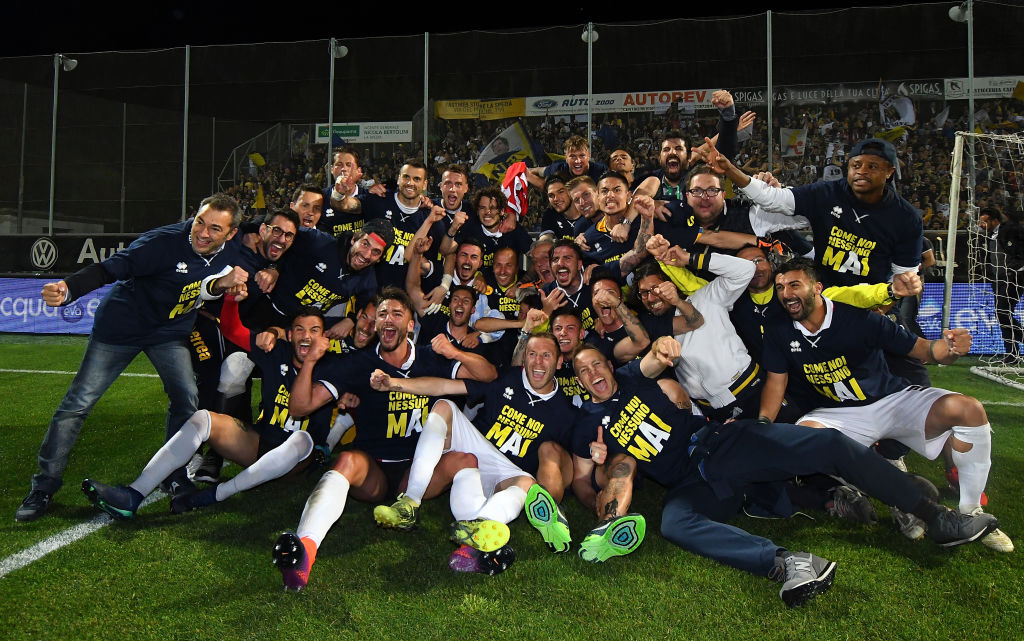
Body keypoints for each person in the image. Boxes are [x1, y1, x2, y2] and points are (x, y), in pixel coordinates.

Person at [570, 340, 999, 607]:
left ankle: (935, 514)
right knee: (674, 522)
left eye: (596, 365)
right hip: (692, 481)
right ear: (579, 384)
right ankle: (787, 563)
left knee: (827, 445)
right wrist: (605, 491)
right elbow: (602, 476)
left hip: (720, 444)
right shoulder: (588, 425)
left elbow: (651, 359)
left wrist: (662, 349)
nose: (593, 374)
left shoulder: (631, 378)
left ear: (609, 367)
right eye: (582, 372)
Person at [16, 194, 250, 522]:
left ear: (231, 233)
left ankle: (174, 474)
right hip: (120, 330)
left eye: (215, 228)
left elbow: (208, 286)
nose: (203, 232)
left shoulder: (235, 253)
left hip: (168, 335)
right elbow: (111, 267)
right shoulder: (162, 243)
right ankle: (43, 486)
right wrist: (69, 289)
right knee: (77, 403)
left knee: (187, 398)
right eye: (200, 222)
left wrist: (237, 288)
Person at [759, 258, 1013, 552]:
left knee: (968, 409)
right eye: (779, 287)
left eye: (794, 284)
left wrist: (951, 350)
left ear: (817, 288)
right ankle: (899, 495)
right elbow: (776, 382)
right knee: (803, 442)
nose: (786, 293)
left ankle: (970, 512)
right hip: (839, 414)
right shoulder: (778, 329)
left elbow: (926, 351)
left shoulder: (858, 319)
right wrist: (764, 424)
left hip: (891, 401)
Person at [270, 287, 498, 590]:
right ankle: (304, 552)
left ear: (410, 325)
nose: (388, 320)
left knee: (465, 459)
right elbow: (300, 406)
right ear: (375, 324)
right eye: (382, 314)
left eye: (396, 314)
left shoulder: (431, 358)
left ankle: (474, 547)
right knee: (347, 460)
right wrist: (310, 361)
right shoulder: (358, 363)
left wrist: (455, 353)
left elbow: (489, 376)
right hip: (374, 470)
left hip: (418, 470)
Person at [81, 308, 338, 517]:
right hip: (262, 444)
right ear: (290, 335)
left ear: (324, 337)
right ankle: (133, 495)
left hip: (299, 462)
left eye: (314, 331)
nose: (307, 336)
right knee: (203, 418)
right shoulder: (276, 352)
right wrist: (232, 298)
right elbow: (231, 330)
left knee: (300, 439)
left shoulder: (335, 367)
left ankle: (215, 494)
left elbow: (305, 407)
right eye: (300, 330)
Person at [369, 331, 578, 558]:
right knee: (444, 405)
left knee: (527, 483)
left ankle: (482, 525)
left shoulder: (565, 413)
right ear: (524, 357)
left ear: (559, 362)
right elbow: (443, 387)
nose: (537, 362)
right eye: (532, 354)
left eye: (546, 355)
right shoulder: (506, 379)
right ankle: (409, 503)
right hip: (477, 451)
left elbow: (566, 463)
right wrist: (394, 384)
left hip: (508, 475)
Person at [708, 136, 922, 288]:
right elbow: (772, 199)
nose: (862, 171)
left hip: (872, 297)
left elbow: (903, 275)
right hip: (824, 293)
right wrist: (730, 170)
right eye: (856, 165)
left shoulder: (907, 217)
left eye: (873, 166)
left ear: (889, 172)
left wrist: (883, 307)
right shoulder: (826, 193)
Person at [978, 208, 1024, 363]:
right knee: (1002, 313)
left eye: (984, 221)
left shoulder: (1009, 230)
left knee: (1003, 311)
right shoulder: (990, 235)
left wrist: (1017, 267)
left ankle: (1013, 351)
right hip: (998, 279)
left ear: (994, 220)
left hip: (1013, 277)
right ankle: (1012, 354)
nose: (981, 225)